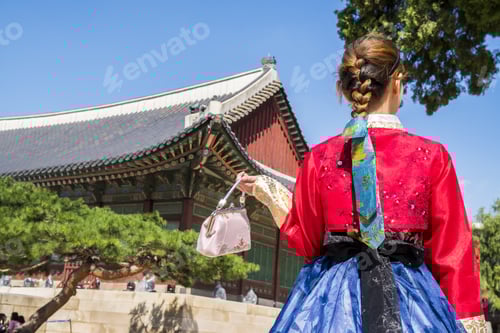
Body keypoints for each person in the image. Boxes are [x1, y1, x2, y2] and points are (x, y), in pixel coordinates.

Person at [238, 33, 486, 332]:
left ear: (347, 89)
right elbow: (453, 253)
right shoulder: (432, 156)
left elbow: (307, 241)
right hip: (413, 302)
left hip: (332, 303)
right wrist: (469, 322)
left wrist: (269, 192)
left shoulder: (320, 158)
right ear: (397, 82)